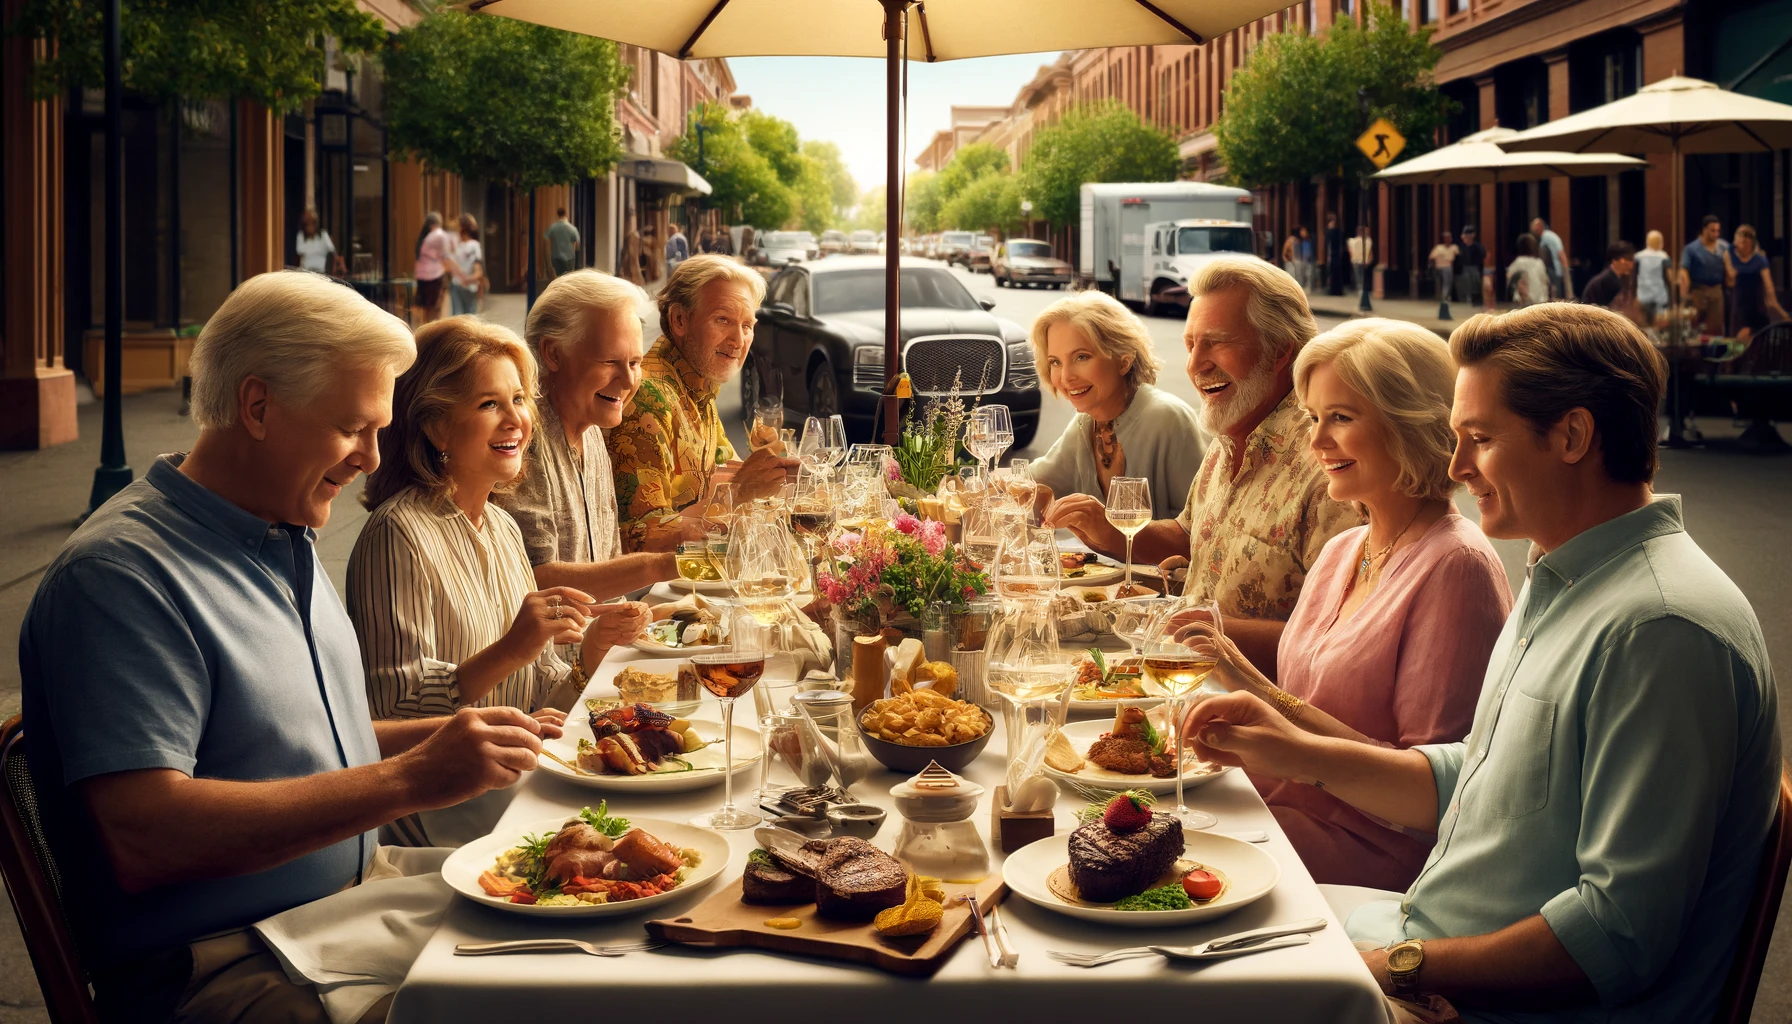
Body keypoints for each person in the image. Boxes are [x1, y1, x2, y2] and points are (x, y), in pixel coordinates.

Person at [1187, 303, 1780, 1024]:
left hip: (1489, 999)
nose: (1456, 465)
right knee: (1172, 934)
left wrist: (1395, 967)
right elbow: (1472, 776)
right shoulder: (1566, 573)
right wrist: (1294, 747)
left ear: (1572, 435)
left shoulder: (1660, 627)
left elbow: (1615, 939)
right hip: (1428, 932)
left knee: (1175, 981)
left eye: (1478, 439)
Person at [19, 271, 559, 1022]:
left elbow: (304, 746)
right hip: (223, 963)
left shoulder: (282, 530)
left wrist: (450, 739)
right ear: (257, 406)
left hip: (351, 905)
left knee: (586, 914)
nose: (374, 457)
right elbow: (146, 834)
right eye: (353, 428)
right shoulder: (121, 575)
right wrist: (410, 781)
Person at [1182, 318, 1511, 891]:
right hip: (1283, 812)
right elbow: (1298, 711)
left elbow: (1432, 793)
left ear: (1409, 424)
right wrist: (1240, 676)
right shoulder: (1344, 549)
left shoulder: (1456, 567)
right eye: (1313, 417)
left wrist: (1254, 689)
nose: (1315, 442)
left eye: (1341, 417)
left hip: (1370, 855)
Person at [348, 317, 639, 846]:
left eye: (520, 400)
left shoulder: (502, 525)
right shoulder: (398, 532)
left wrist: (589, 655)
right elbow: (390, 710)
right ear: (436, 426)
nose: (517, 421)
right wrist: (511, 649)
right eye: (489, 405)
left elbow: (533, 695)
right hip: (442, 809)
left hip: (514, 782)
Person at [1044, 257, 1361, 673]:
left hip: (1255, 707)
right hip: (1184, 672)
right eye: (1192, 345)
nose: (1195, 366)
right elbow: (1189, 535)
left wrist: (1190, 628)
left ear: (1280, 349)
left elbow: (1336, 640)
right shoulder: (1232, 429)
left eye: (1218, 343)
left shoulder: (1326, 460)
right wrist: (1107, 532)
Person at [497, 269, 681, 599]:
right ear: (553, 353)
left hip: (600, 643)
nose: (628, 382)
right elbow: (535, 578)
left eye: (635, 362)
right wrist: (672, 564)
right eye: (610, 361)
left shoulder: (592, 427)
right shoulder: (523, 439)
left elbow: (607, 564)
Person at [607, 255, 796, 552]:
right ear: (680, 320)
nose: (738, 340)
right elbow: (640, 538)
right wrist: (741, 490)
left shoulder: (699, 387)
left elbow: (727, 469)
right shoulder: (649, 397)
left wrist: (776, 470)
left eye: (747, 326)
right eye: (723, 320)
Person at [1020, 290, 1206, 521]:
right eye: (1055, 362)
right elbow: (1032, 486)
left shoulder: (1167, 419)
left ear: (1124, 360)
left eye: (1081, 357)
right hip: (1096, 559)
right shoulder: (1086, 423)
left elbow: (1204, 528)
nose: (1065, 377)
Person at [1727, 223, 1788, 337]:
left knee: (1754, 345)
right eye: (1739, 238)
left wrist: (1784, 316)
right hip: (1738, 311)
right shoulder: (1729, 253)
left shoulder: (1759, 260)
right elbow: (1730, 279)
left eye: (1745, 240)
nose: (1741, 243)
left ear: (1751, 243)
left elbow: (1770, 293)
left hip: (1756, 311)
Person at [1680, 214, 1732, 335]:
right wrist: (1685, 295)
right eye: (1712, 230)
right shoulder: (1691, 249)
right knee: (1695, 325)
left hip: (1716, 291)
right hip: (1698, 291)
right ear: (1704, 230)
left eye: (1718, 231)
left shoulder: (1723, 247)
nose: (1716, 234)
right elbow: (1684, 271)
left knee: (1716, 326)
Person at [411, 211, 453, 325]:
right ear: (438, 223)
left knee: (425, 308)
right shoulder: (440, 235)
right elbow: (446, 256)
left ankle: (424, 330)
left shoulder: (424, 237)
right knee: (435, 308)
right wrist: (455, 273)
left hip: (421, 276)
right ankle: (433, 333)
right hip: (434, 275)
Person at [1579, 240, 1636, 313]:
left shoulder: (1618, 278)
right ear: (1617, 260)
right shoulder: (1608, 280)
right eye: (1629, 259)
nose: (1631, 264)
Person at [448, 213, 486, 317]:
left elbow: (478, 271)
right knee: (470, 318)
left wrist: (466, 279)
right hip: (467, 286)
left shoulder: (468, 246)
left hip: (461, 285)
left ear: (462, 227)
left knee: (458, 317)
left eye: (457, 225)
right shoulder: (473, 245)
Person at [1634, 230, 1672, 326]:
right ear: (1660, 242)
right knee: (1658, 325)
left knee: (1643, 325)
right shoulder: (1663, 257)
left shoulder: (1638, 257)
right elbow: (1670, 278)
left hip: (1642, 295)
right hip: (1659, 296)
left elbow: (1633, 277)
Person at [295, 208, 345, 277]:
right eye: (307, 222)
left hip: (321, 273)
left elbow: (333, 252)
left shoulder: (323, 235)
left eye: (312, 222)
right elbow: (299, 257)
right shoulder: (301, 236)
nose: (310, 225)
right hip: (306, 273)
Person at [1506, 233, 1549, 308]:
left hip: (1525, 302)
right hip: (1540, 301)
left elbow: (1509, 277)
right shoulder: (1539, 262)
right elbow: (1545, 281)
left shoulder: (1519, 262)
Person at [1531, 217, 1566, 299]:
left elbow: (1560, 252)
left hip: (1555, 269)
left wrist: (1565, 268)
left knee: (1557, 294)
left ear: (1539, 227)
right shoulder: (1547, 236)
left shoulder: (1547, 237)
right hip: (1555, 269)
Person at [1428, 231, 1458, 319]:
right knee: (1443, 286)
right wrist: (1433, 267)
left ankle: (1444, 301)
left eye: (1449, 237)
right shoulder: (1439, 248)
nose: (1448, 239)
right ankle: (1443, 300)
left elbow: (1458, 256)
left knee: (1447, 286)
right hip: (1440, 268)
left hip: (1448, 267)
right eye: (1446, 238)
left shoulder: (1454, 247)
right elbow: (1431, 258)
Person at [1454, 226, 1485, 307]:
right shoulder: (1462, 247)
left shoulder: (1477, 246)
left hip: (1474, 267)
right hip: (1465, 268)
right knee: (1466, 284)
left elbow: (1483, 255)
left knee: (1476, 283)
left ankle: (1477, 300)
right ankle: (1466, 298)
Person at [545, 208, 580, 279]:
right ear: (565, 214)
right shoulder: (572, 229)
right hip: (569, 259)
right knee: (568, 279)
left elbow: (545, 240)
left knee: (558, 278)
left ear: (557, 214)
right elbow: (577, 245)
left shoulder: (553, 228)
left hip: (556, 258)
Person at [1347, 225, 1374, 296]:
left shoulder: (1352, 241)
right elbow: (1370, 252)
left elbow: (1351, 251)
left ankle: (1361, 290)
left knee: (1359, 276)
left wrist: (1352, 259)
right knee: (1362, 276)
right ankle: (1362, 290)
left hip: (1357, 261)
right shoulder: (1368, 241)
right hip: (1363, 261)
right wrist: (1369, 259)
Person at [1325, 212, 1347, 296]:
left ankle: (1336, 290)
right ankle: (1333, 289)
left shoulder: (1336, 231)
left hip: (1335, 255)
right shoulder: (1332, 232)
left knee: (1335, 272)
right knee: (1332, 273)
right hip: (1333, 255)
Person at [1298, 225, 1317, 292]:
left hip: (1310, 259)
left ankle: (1310, 288)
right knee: (1302, 274)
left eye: (1303, 231)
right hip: (1303, 258)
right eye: (1301, 231)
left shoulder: (1311, 239)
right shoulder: (1301, 241)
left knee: (1310, 274)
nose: (1302, 233)